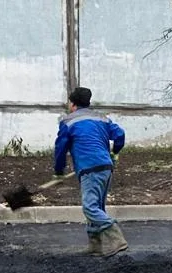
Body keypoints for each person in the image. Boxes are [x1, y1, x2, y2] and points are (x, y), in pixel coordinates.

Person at [53, 86, 127, 257]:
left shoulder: (68, 122)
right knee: (98, 206)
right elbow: (120, 135)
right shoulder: (102, 119)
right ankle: (95, 244)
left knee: (90, 207)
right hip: (106, 167)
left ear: (72, 104)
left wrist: (58, 171)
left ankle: (116, 237)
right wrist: (115, 152)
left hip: (89, 168)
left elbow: (60, 149)